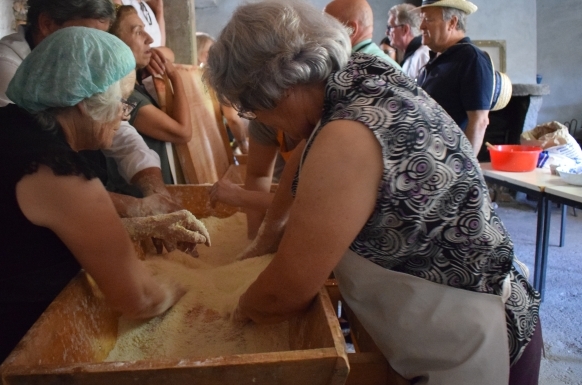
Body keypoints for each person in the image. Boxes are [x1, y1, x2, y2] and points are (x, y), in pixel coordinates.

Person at [204, 1, 542, 384]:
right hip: (437, 322)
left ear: (274, 90)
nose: (257, 120)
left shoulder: (348, 133)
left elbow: (285, 293)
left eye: (251, 110)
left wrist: (234, 306)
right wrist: (264, 241)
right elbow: (299, 169)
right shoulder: (357, 77)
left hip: (471, 340)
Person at [0, 27, 209, 385]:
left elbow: (14, 231)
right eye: (122, 103)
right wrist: (197, 288)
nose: (124, 115)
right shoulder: (58, 171)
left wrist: (140, 226)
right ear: (84, 102)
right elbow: (138, 298)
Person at [0, 0, 179, 217]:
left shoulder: (73, 72)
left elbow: (118, 129)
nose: (98, 52)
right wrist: (137, 208)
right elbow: (44, 178)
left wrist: (155, 192)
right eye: (88, 37)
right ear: (47, 24)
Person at [107, 5, 192, 189]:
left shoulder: (136, 85)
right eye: (139, 32)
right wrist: (175, 77)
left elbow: (166, 52)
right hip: (145, 195)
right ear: (117, 44)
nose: (150, 39)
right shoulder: (127, 96)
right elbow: (183, 132)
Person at [416, 0, 493, 156]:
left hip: (450, 165)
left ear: (452, 22)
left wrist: (465, 171)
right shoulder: (437, 59)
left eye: (428, 19)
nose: (422, 26)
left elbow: (479, 121)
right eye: (422, 19)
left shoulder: (471, 58)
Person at [209, 120, 304, 239]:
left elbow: (312, 205)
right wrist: (255, 235)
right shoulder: (262, 119)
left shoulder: (326, 124)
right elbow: (258, 175)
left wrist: (240, 196)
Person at [196, 32, 249, 154]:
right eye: (208, 53)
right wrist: (243, 144)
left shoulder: (202, 80)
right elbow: (232, 118)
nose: (214, 57)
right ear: (198, 54)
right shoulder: (217, 77)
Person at [323, 0, 402, 71]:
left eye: (329, 27)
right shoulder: (392, 67)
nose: (323, 35)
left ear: (351, 29)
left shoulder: (351, 71)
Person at [388, 3, 429, 79]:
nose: (387, 32)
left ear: (405, 29)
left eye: (390, 27)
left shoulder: (423, 56)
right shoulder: (414, 55)